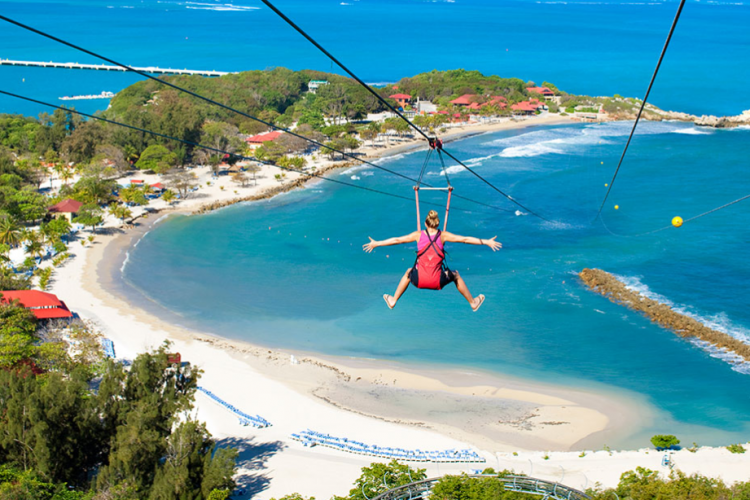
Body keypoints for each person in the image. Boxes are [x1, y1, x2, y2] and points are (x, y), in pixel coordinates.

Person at [363, 209, 502, 311]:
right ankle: (473, 302)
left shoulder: (418, 235)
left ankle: (393, 300)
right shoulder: (443, 236)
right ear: (437, 223)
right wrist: (486, 242)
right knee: (456, 275)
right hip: (437, 282)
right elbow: (465, 239)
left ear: (425, 223)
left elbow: (397, 240)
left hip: (419, 281)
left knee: (407, 272)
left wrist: (377, 243)